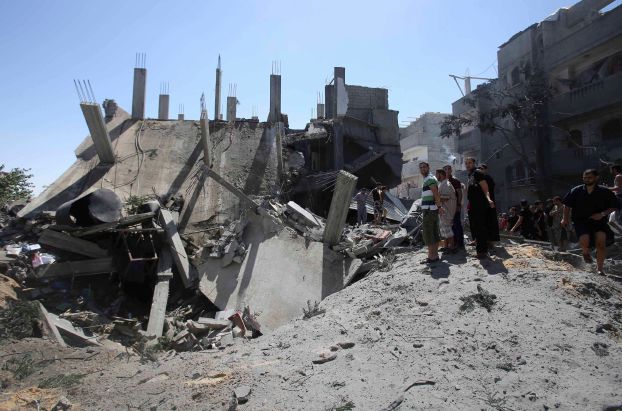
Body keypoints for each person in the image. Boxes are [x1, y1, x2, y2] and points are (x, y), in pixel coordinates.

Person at [561, 169, 619, 275]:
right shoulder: (576, 190)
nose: (587, 179)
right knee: (585, 239)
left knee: (601, 243)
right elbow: (567, 205)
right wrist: (565, 218)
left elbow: (614, 206)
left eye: (590, 177)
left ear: (596, 178)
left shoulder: (604, 191)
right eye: (585, 178)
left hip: (599, 222)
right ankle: (585, 252)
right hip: (581, 221)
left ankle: (600, 269)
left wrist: (601, 214)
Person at [465, 157, 495, 259]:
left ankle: (482, 252)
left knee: (480, 227)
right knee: (476, 227)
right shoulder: (471, 174)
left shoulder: (477, 172)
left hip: (480, 204)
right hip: (473, 205)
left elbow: (485, 187)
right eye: (466, 163)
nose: (467, 165)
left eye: (469, 163)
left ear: (474, 163)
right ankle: (481, 250)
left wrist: (489, 199)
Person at [419, 162, 443, 264]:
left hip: (429, 209)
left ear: (428, 167)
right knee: (433, 232)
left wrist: (440, 207)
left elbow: (436, 194)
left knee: (428, 233)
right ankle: (435, 256)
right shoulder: (429, 178)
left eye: (424, 167)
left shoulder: (429, 178)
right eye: (421, 168)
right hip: (431, 209)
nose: (422, 169)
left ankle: (431, 257)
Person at [436, 169, 457, 253]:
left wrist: (435, 198)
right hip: (444, 211)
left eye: (437, 174)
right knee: (444, 230)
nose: (436, 176)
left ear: (441, 174)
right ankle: (446, 246)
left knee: (448, 230)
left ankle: (452, 247)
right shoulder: (442, 184)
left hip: (447, 211)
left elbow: (446, 197)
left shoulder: (447, 184)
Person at [478, 164, 500, 243]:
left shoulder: (487, 178)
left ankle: (490, 241)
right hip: (485, 202)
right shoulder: (482, 178)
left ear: (485, 170)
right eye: (479, 168)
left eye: (482, 168)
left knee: (490, 221)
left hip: (489, 202)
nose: (480, 170)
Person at [444, 165, 464, 249]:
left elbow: (459, 193)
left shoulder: (455, 181)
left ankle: (460, 244)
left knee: (457, 224)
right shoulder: (444, 182)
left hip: (455, 206)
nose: (447, 171)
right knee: (449, 226)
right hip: (447, 208)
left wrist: (458, 205)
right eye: (445, 169)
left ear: (451, 170)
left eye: (449, 169)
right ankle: (452, 243)